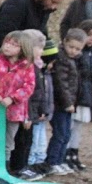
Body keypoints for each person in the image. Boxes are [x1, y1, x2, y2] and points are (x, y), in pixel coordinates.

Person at [0, 30, 36, 169]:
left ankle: (4, 168)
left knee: (8, 141)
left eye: (14, 45)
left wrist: (12, 98)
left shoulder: (27, 66)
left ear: (23, 48)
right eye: (7, 42)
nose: (8, 46)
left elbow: (29, 87)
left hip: (14, 112)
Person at [44, 28, 85, 176]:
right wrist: (68, 102)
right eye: (71, 47)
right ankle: (52, 161)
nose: (74, 51)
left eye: (78, 49)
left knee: (67, 134)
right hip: (60, 104)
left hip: (69, 104)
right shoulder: (61, 59)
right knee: (60, 133)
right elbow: (61, 84)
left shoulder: (74, 60)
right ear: (64, 42)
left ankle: (60, 160)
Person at [65, 20, 92, 170]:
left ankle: (74, 152)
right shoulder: (79, 55)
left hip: (87, 94)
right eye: (89, 34)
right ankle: (65, 153)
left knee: (79, 126)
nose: (91, 38)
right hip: (76, 94)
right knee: (71, 125)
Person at [27, 35, 55, 176]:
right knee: (33, 138)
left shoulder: (41, 69)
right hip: (32, 110)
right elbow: (35, 92)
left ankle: (38, 161)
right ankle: (31, 163)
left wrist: (44, 109)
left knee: (40, 138)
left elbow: (43, 93)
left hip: (41, 110)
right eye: (39, 48)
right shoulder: (31, 69)